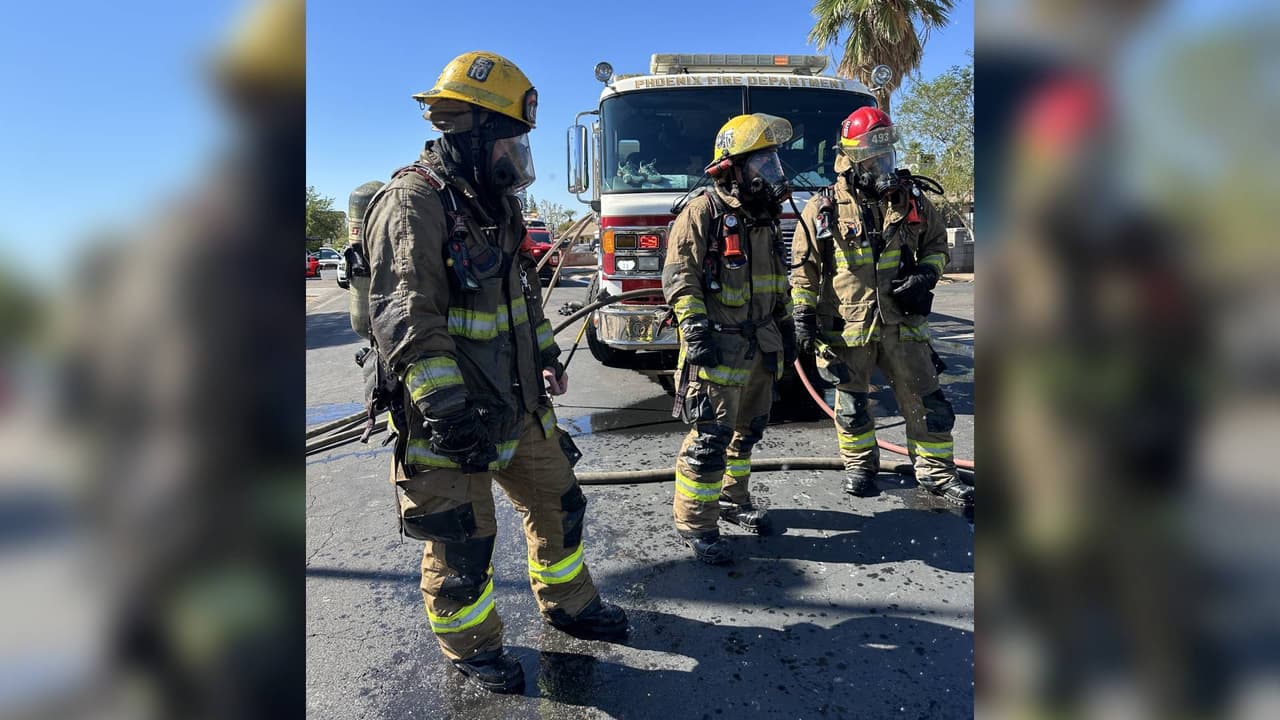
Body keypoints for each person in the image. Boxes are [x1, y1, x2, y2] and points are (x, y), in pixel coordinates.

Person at [362, 51, 627, 694]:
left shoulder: (495, 204)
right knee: (463, 544)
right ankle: (473, 647)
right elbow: (406, 318)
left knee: (559, 501)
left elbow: (522, 301)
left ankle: (569, 604)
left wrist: (542, 355)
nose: (517, 155)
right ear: (474, 133)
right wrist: (448, 413)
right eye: (509, 139)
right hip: (448, 418)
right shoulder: (413, 203)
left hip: (518, 401)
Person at [791, 106, 974, 508]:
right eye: (873, 157)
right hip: (847, 326)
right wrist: (803, 316)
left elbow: (937, 246)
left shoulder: (912, 201)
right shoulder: (823, 209)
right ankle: (860, 465)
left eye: (886, 155)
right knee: (853, 406)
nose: (882, 164)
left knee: (928, 402)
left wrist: (927, 275)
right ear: (853, 158)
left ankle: (938, 473)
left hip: (902, 324)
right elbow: (804, 268)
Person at [662, 113, 798, 564]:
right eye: (763, 163)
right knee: (710, 438)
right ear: (732, 168)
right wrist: (694, 328)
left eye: (774, 162)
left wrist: (787, 323)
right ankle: (696, 523)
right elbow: (680, 277)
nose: (773, 174)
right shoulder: (703, 212)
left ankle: (733, 500)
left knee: (747, 433)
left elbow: (777, 281)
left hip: (761, 347)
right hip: (719, 348)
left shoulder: (764, 218)